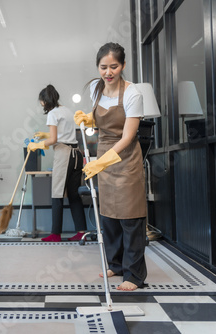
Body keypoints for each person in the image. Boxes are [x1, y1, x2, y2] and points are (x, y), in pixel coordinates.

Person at [74, 42, 147, 291]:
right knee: (109, 216)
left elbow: (127, 136)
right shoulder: (97, 88)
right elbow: (100, 118)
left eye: (113, 67)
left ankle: (134, 275)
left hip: (125, 158)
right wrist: (89, 118)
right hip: (104, 153)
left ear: (123, 66)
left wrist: (102, 161)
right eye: (103, 67)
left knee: (130, 216)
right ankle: (116, 265)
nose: (108, 72)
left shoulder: (133, 93)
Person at [27, 84, 87, 242]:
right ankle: (82, 232)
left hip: (64, 154)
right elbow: (64, 133)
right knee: (74, 195)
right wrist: (44, 133)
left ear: (45, 101)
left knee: (57, 193)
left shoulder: (52, 114)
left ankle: (55, 234)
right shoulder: (67, 111)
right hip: (76, 155)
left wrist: (37, 145)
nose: (42, 106)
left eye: (42, 103)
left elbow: (54, 140)